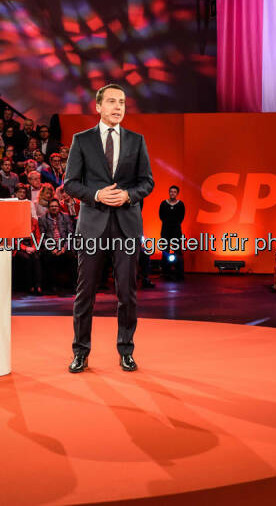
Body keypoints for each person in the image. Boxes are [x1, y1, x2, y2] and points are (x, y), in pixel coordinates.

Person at [62, 84, 154, 374]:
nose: (118, 107)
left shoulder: (137, 141)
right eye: (112, 102)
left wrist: (129, 195)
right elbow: (70, 183)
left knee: (127, 293)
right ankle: (81, 352)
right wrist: (97, 195)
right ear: (98, 106)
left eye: (123, 102)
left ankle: (126, 351)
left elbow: (147, 182)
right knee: (85, 293)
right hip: (92, 226)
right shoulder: (82, 140)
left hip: (127, 225)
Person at [158, 185, 185, 281]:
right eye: (171, 191)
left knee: (177, 251)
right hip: (165, 231)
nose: (172, 193)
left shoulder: (180, 204)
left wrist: (174, 225)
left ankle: (179, 273)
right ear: (169, 193)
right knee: (165, 251)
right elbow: (161, 216)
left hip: (176, 231)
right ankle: (166, 273)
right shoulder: (163, 204)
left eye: (174, 192)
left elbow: (181, 217)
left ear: (177, 194)